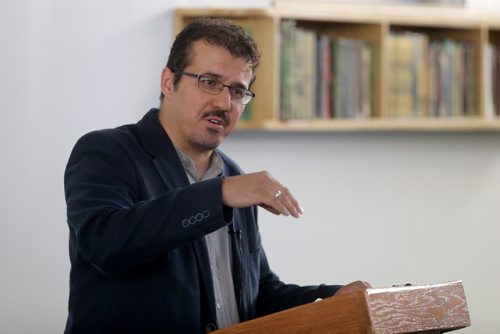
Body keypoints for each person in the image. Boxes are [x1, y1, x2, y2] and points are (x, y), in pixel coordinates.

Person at [64, 17, 368, 334]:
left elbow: (256, 296)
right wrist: (218, 195)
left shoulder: (234, 177)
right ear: (169, 82)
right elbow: (105, 244)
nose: (224, 103)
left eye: (238, 91)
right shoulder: (106, 151)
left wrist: (334, 299)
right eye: (209, 82)